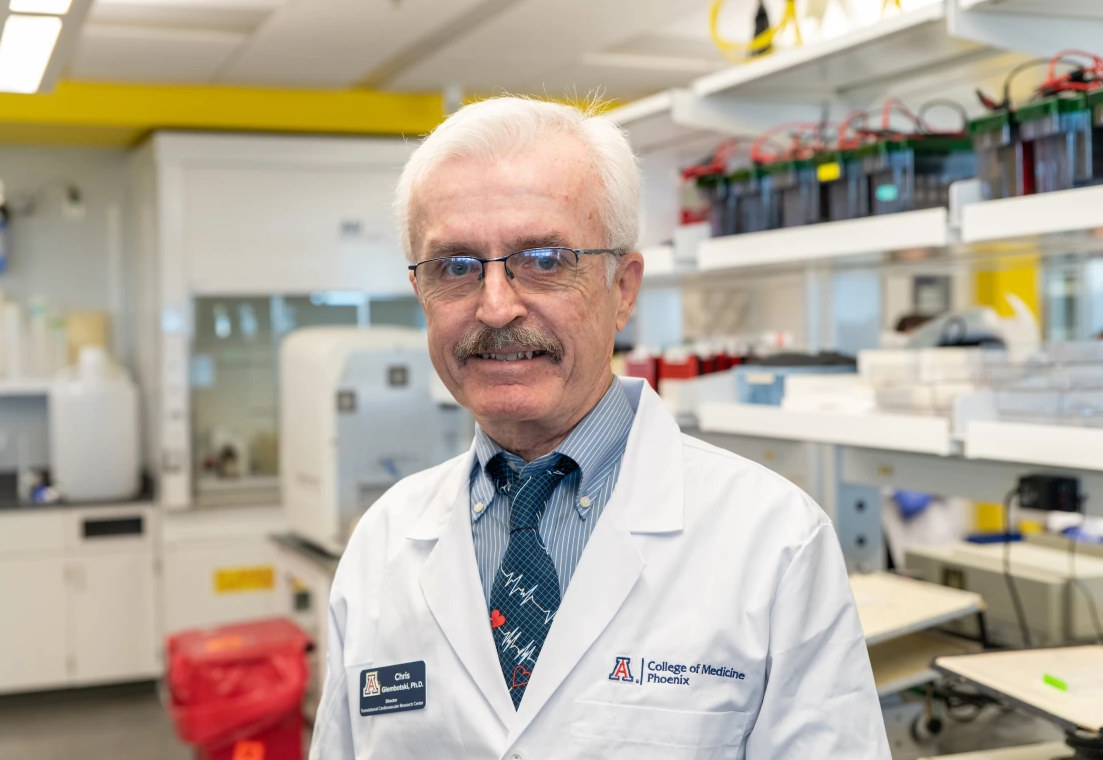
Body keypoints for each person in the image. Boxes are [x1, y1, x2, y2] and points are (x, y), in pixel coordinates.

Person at [310, 97, 889, 759]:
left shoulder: (776, 541)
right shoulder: (381, 544)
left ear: (624, 288)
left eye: (545, 259)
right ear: (423, 294)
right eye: (457, 267)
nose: (496, 307)